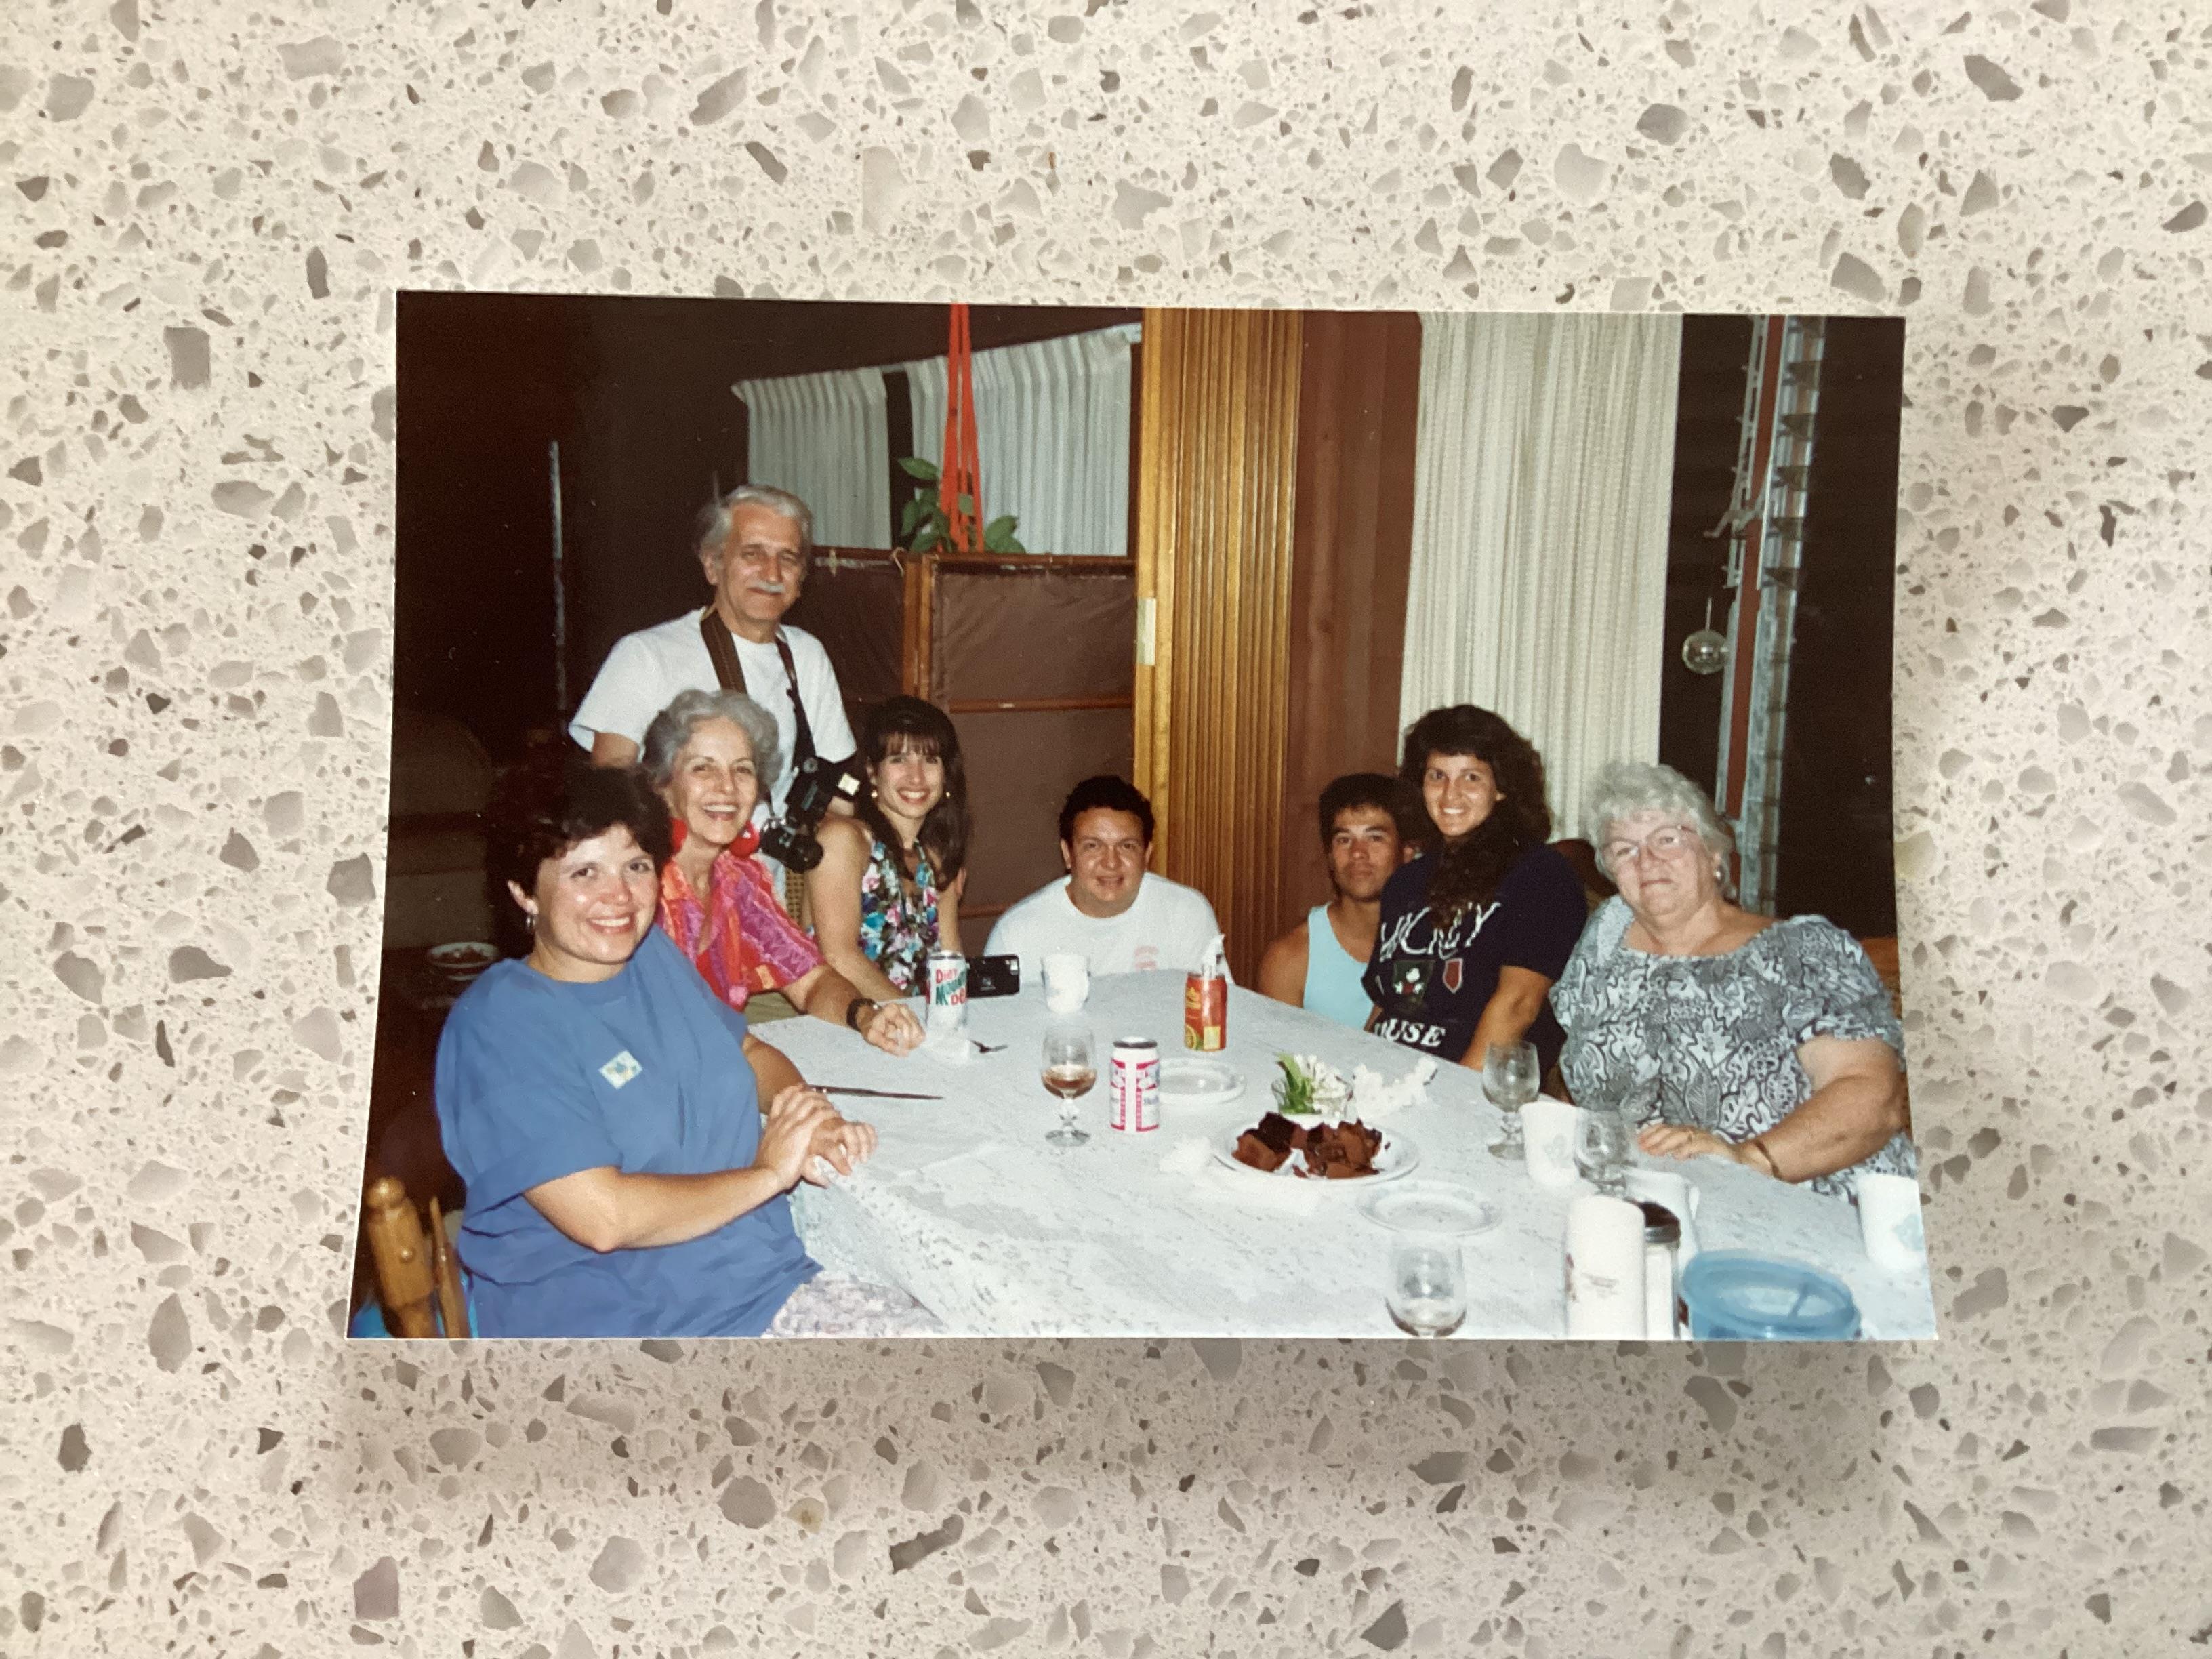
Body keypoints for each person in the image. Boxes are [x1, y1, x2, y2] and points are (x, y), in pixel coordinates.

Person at [434, 759, 935, 1337]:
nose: (618, 896)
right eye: (584, 873)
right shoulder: (501, 1026)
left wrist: (806, 1113)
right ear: (525, 891)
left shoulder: (650, 958)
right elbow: (604, 1218)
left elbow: (747, 1053)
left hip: (758, 1284)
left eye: (636, 865)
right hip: (620, 1326)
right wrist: (771, 1173)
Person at [1550, 760, 1913, 1199]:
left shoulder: (1805, 950)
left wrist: (1747, 1159)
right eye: (1624, 849)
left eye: (1667, 839)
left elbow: (1874, 1097)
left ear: (1714, 853)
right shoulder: (1610, 931)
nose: (1647, 861)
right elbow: (1573, 1061)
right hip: (1650, 1193)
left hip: (1805, 1200)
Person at [640, 689, 924, 1054]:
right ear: (663, 784)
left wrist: (865, 1016)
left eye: (742, 769)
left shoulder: (738, 879)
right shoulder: (636, 884)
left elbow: (811, 979)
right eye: (702, 767)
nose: (726, 787)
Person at [569, 484, 855, 824]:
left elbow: (838, 790)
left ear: (802, 578)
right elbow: (609, 793)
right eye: (753, 554)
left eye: (788, 558)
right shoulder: (646, 654)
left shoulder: (806, 655)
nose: (772, 574)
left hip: (773, 868)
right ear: (712, 565)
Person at [1363, 705, 1589, 1076]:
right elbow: (1387, 1003)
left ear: (1501, 788)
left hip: (1470, 1083)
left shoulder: (1541, 875)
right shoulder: (1406, 881)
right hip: (1392, 1073)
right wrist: (1358, 1076)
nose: (1451, 795)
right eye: (1437, 776)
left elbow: (1518, 1005)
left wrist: (1455, 1097)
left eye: (1471, 778)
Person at [985, 775, 1222, 981]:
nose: (1111, 863)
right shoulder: (1018, 932)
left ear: (1147, 855)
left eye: (1127, 847)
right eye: (1093, 846)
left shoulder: (1186, 913)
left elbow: (1218, 1014)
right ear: (1068, 854)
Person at [811, 696, 970, 1000]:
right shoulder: (844, 839)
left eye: (930, 760)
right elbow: (838, 956)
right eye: (899, 759)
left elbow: (950, 965)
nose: (916, 777)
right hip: (850, 1025)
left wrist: (952, 1025)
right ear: (873, 772)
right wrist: (915, 1019)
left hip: (916, 1031)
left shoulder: (935, 860)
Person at [1257, 772, 1408, 1026]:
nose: (1358, 853)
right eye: (1344, 840)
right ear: (1329, 857)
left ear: (1406, 851)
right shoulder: (1290, 959)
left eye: (1375, 838)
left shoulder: (1436, 943)